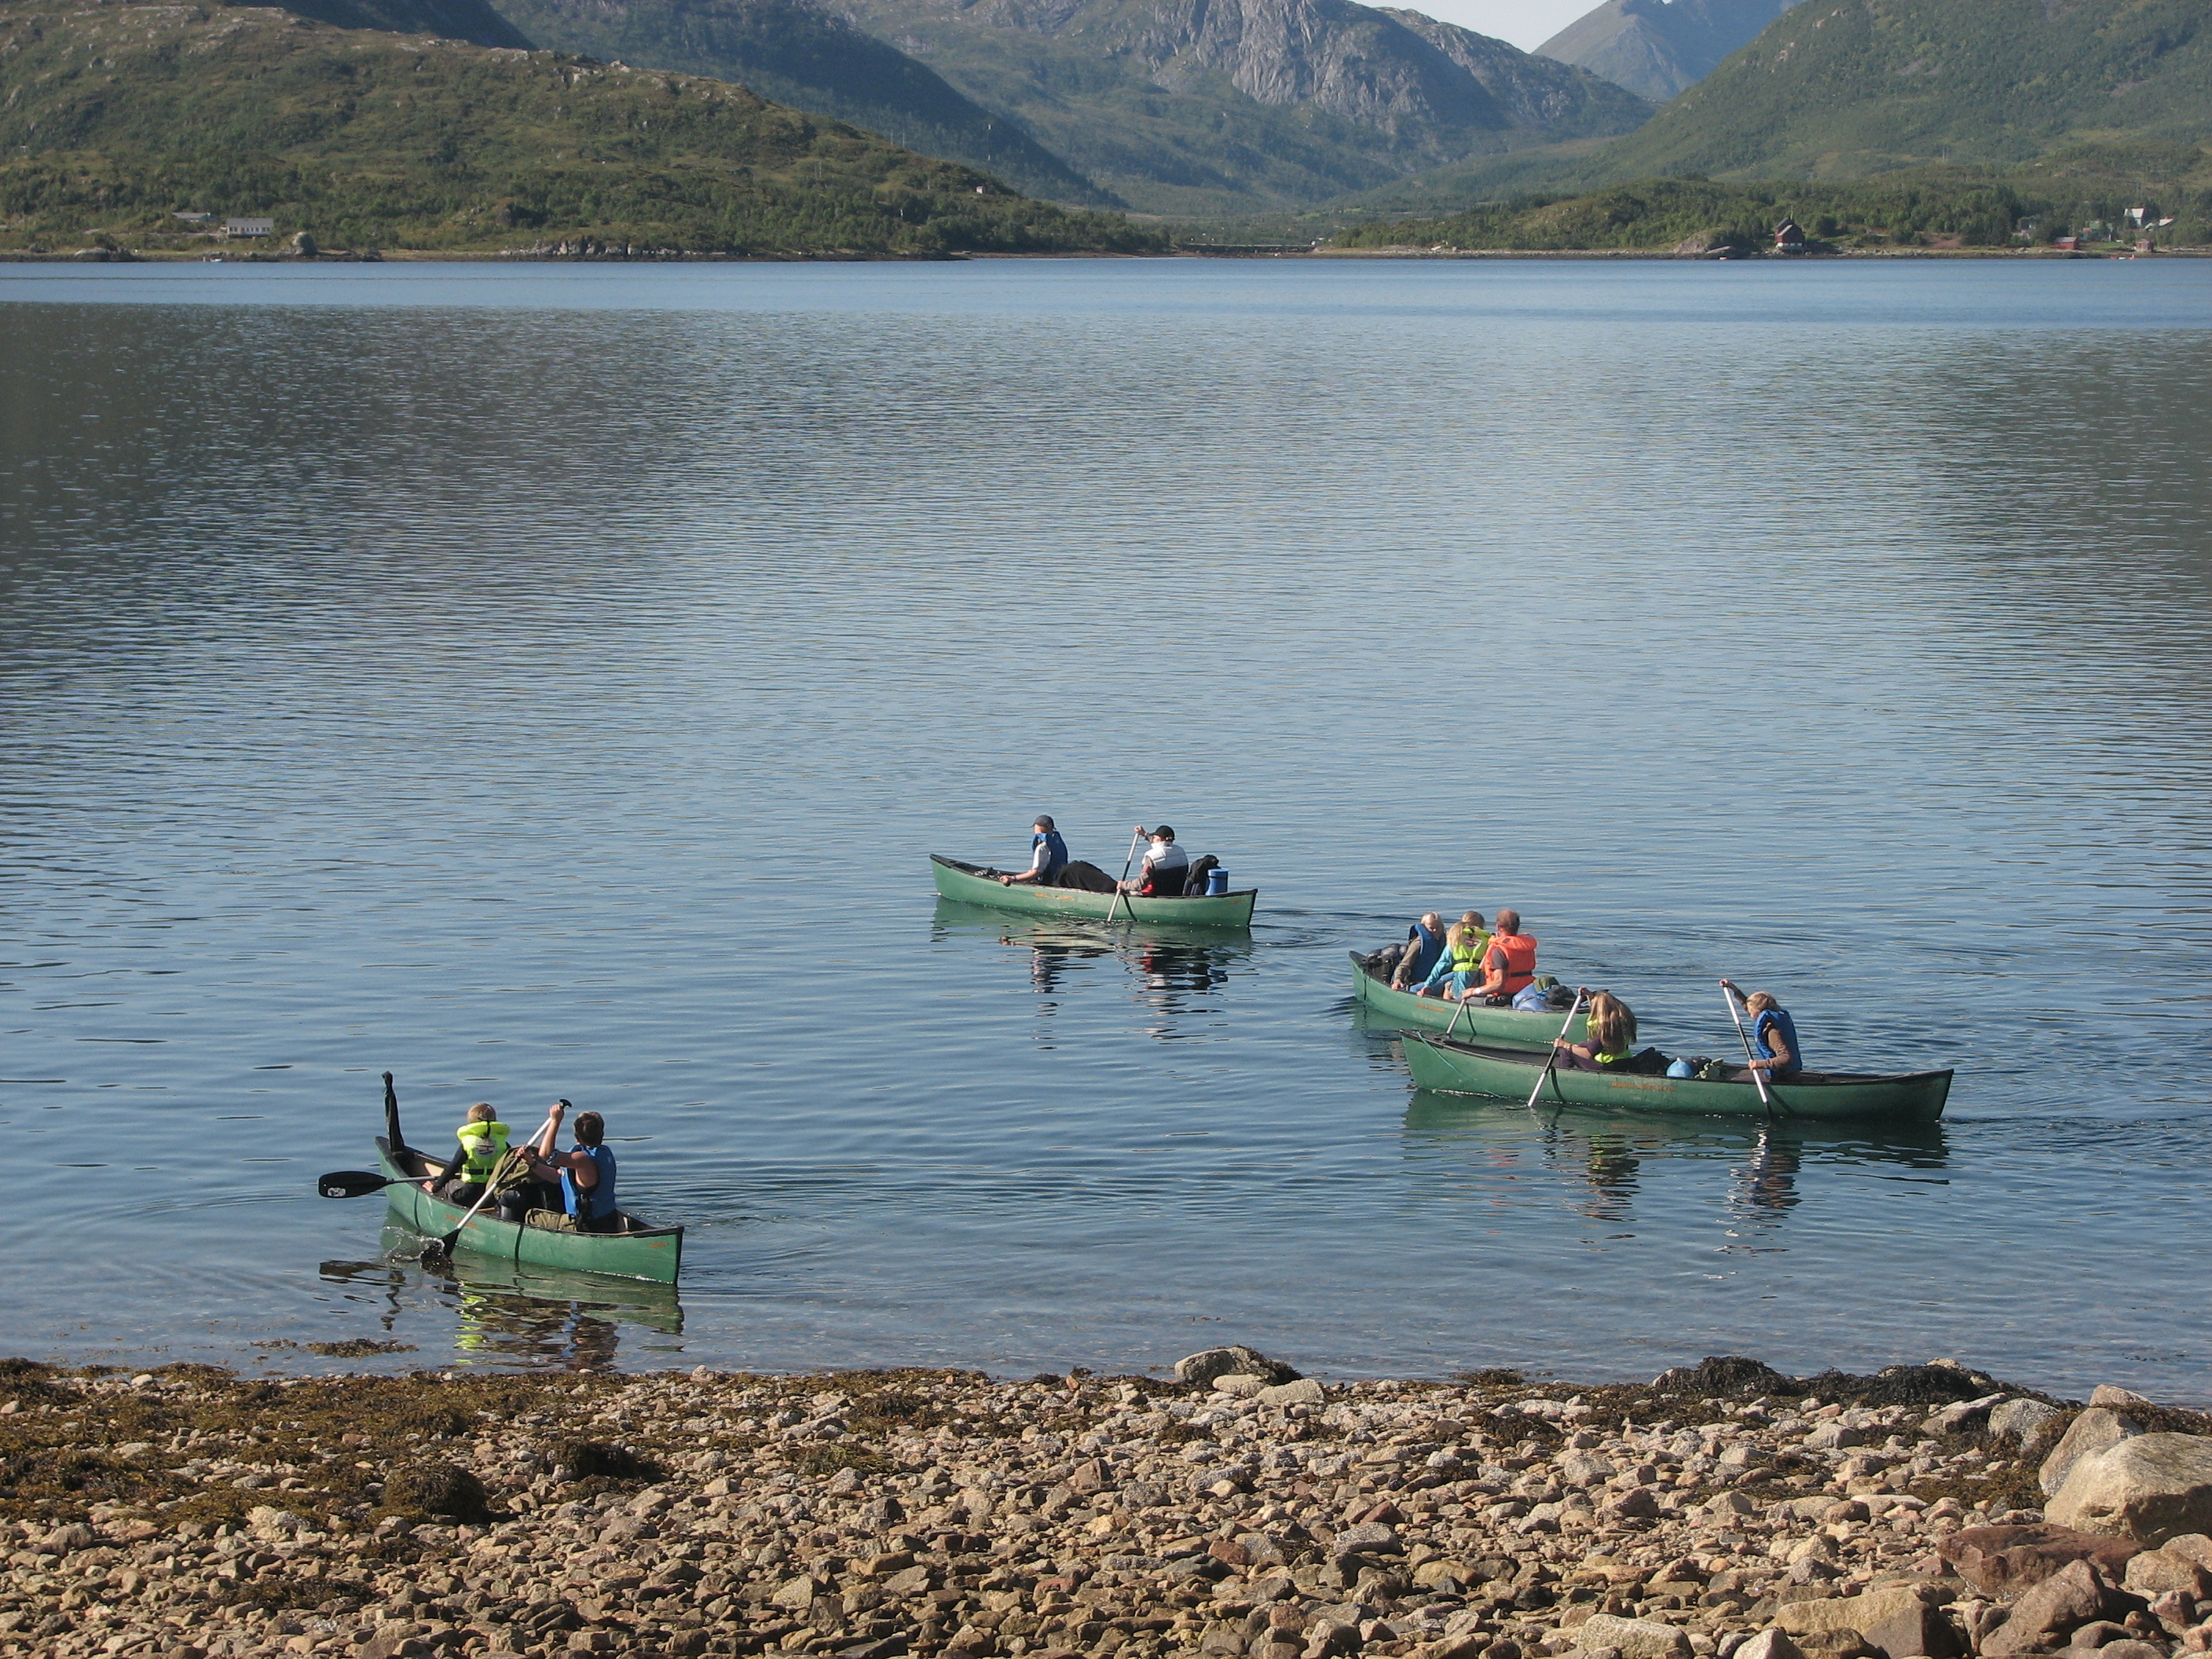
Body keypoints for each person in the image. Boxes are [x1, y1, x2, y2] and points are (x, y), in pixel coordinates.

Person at [514, 1104, 621, 1233]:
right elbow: (558, 1177)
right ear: (602, 1133)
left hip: (584, 1225)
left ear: (577, 1136)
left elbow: (545, 1154)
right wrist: (532, 1163)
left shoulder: (582, 1160)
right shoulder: (603, 1154)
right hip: (608, 1219)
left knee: (532, 1215)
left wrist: (555, 1121)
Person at [431, 1101, 511, 1207]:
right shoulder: (504, 1144)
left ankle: (439, 1197)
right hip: (491, 1194)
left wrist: (435, 1187)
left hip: (468, 1195)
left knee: (449, 1183)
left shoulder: (468, 1143)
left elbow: (452, 1168)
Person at [1723, 980, 1804, 1082]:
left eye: (1750, 1011)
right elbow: (1749, 1005)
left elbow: (1786, 1058)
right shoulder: (1772, 1015)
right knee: (1742, 1073)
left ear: (1757, 1012)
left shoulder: (1772, 1031)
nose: (1748, 1012)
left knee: (1735, 1080)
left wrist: (1758, 1064)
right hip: (1782, 1072)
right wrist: (1733, 988)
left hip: (1781, 1077)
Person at [1463, 908, 1538, 1004]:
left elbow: (1499, 984)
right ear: (1517, 926)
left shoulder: (1499, 950)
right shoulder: (1527, 947)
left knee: (1460, 999)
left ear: (1499, 927)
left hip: (1503, 998)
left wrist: (1474, 991)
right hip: (1525, 993)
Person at [1416, 912, 1492, 998]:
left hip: (1463, 974)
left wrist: (1428, 985)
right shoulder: (1487, 939)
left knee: (1448, 988)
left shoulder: (1456, 936)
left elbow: (1443, 963)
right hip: (1481, 976)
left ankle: (1447, 1008)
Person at [1555, 991, 1635, 1071]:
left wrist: (1565, 1045)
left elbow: (1588, 1054)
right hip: (1624, 1063)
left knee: (1568, 1051)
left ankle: (1564, 1076)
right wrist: (1589, 995)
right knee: (1581, 1045)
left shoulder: (1604, 1028)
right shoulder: (1622, 1021)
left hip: (1605, 1067)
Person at [1000, 815, 1070, 887]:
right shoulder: (1058, 842)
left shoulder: (1042, 847)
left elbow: (1035, 873)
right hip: (1062, 880)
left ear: (1038, 828)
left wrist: (1012, 878)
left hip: (1050, 882)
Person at [1384, 912, 1446, 990]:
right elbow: (1404, 965)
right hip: (1418, 983)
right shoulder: (1418, 943)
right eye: (1431, 928)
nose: (1435, 931)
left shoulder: (1446, 941)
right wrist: (1397, 980)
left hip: (1439, 981)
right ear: (1424, 928)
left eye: (1438, 928)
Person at [1121, 826, 1188, 895]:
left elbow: (1141, 884)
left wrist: (1123, 885)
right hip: (1176, 892)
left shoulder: (1151, 856)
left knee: (1117, 886)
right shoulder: (1180, 851)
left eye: (1154, 837)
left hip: (1155, 894)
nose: (1152, 838)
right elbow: (1162, 846)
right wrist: (1144, 834)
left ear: (1159, 839)